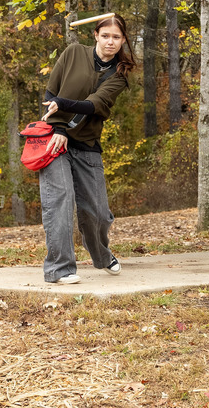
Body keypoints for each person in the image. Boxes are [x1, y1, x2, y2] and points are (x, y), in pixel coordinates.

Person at [39, 14, 136, 284]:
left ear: (123, 40)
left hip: (87, 144)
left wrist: (62, 102)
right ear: (95, 35)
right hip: (55, 140)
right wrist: (59, 129)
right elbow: (50, 95)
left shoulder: (120, 75)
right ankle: (60, 269)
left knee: (99, 213)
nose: (110, 42)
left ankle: (101, 255)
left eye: (116, 37)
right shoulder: (73, 53)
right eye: (105, 36)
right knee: (60, 200)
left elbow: (94, 105)